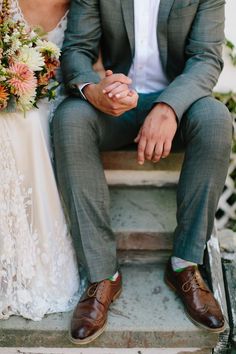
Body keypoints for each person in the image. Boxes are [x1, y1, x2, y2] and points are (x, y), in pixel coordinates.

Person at [53, 0, 233, 344]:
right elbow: (77, 49)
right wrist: (93, 90)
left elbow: (206, 58)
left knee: (216, 120)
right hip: (119, 104)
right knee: (70, 119)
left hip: (181, 104)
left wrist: (169, 106)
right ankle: (102, 275)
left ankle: (185, 265)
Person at [0, 0, 80, 321]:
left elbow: (95, 65)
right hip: (15, 94)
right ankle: (10, 255)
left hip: (61, 98)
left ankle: (34, 265)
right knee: (12, 120)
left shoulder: (84, 7)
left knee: (27, 122)